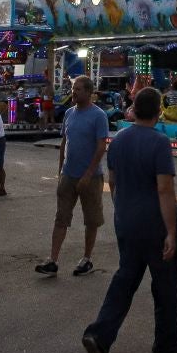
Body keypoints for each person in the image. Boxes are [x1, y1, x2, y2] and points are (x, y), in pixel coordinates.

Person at [82, 87, 177, 353]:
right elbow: (164, 190)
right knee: (166, 284)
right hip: (155, 224)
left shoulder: (119, 140)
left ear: (133, 108)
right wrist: (171, 232)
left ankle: (100, 335)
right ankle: (166, 341)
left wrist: (122, 209)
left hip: (126, 221)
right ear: (159, 110)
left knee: (125, 279)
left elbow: (112, 182)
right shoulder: (160, 142)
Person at [39, 76, 108, 277]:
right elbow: (64, 143)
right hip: (68, 175)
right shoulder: (69, 113)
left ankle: (86, 259)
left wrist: (88, 174)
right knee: (61, 217)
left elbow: (101, 147)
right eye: (73, 88)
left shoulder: (99, 116)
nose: (74, 92)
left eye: (78, 89)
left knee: (92, 219)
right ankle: (53, 260)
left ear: (88, 92)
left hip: (91, 177)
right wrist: (60, 170)